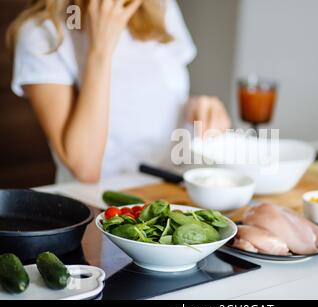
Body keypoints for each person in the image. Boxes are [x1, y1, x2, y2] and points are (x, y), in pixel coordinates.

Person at [7, 0, 231, 183]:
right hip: (104, 210)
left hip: (177, 190)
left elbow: (144, 100)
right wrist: (100, 51)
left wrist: (196, 108)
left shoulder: (159, 7)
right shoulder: (42, 34)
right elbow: (85, 168)